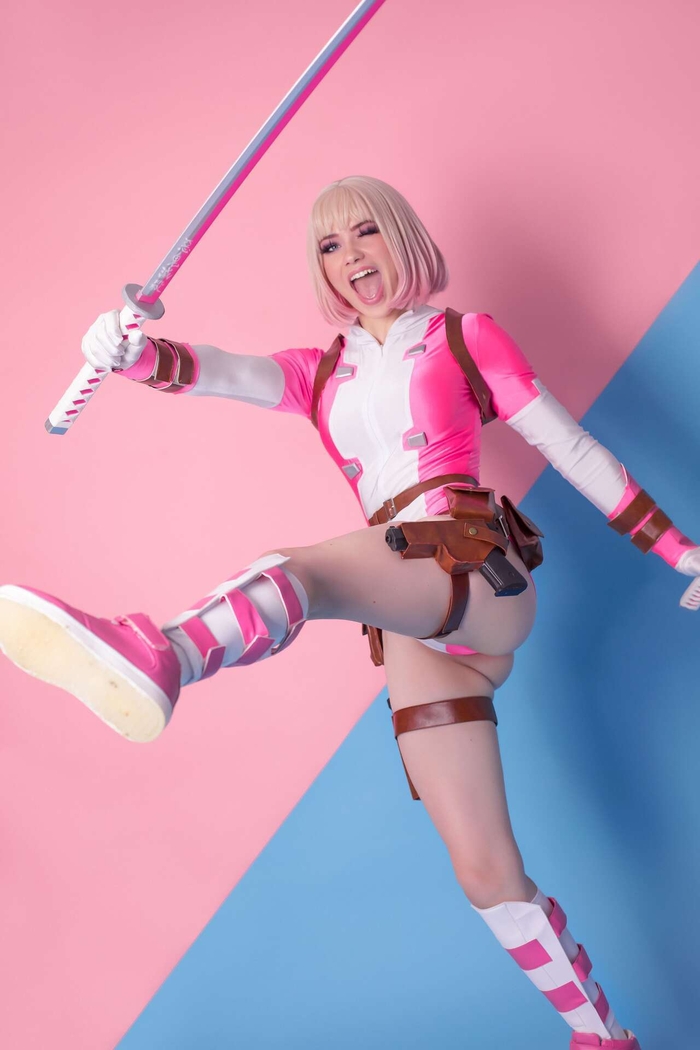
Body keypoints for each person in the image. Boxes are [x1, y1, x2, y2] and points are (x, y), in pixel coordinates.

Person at [0, 175, 696, 1048]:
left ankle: (167, 653)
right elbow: (220, 371)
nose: (352, 256)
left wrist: (683, 553)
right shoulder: (319, 373)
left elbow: (570, 446)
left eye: (366, 232)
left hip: (474, 566)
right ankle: (605, 1037)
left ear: (402, 237)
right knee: (485, 874)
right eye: (331, 245)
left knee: (304, 572)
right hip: (412, 623)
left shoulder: (463, 336)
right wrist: (130, 353)